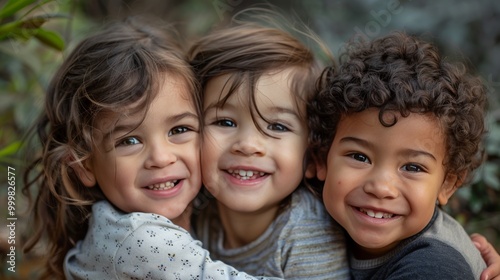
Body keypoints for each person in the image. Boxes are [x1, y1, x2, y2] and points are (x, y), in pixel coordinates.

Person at [22, 17, 280, 280]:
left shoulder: (124, 224)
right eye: (129, 141)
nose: (161, 158)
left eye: (179, 130)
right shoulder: (141, 239)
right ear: (84, 165)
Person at [309, 31, 489, 279]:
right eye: (359, 157)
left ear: (447, 184)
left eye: (413, 167)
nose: (381, 187)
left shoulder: (433, 266)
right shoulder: (311, 213)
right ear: (321, 159)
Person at [188, 15, 350, 279]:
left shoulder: (306, 232)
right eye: (225, 121)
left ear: (312, 155)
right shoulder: (197, 210)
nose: (248, 145)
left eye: (277, 127)